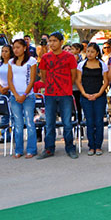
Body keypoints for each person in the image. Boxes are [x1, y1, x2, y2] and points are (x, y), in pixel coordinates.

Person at [37, 31, 79, 160]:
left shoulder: (70, 57)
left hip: (65, 93)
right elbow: (43, 76)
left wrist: (65, 86)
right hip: (49, 94)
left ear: (61, 42)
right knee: (49, 123)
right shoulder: (45, 57)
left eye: (54, 41)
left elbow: (73, 76)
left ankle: (70, 148)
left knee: (67, 122)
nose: (51, 43)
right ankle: (49, 149)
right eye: (50, 41)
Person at [75, 43, 109, 156]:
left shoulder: (102, 65)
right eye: (88, 51)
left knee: (99, 121)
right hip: (85, 96)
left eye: (92, 52)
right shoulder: (81, 65)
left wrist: (98, 94)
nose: (89, 54)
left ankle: (98, 146)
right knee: (89, 121)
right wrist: (84, 93)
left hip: (99, 96)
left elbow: (106, 81)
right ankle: (91, 146)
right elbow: (78, 81)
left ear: (97, 53)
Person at [8, 39, 38, 158]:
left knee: (30, 122)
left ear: (24, 48)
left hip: (28, 96)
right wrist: (16, 95)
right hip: (15, 96)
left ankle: (31, 149)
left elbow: (32, 79)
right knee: (18, 123)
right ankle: (19, 149)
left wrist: (24, 94)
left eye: (18, 47)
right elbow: (10, 80)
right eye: (14, 48)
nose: (15, 50)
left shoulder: (31, 61)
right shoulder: (11, 62)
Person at [0, 44, 13, 144]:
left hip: (11, 90)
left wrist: (8, 87)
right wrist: (1, 88)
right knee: (3, 114)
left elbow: (15, 78)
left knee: (13, 113)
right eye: (3, 51)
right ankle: (5, 135)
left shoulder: (13, 63)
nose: (4, 53)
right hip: (0, 91)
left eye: (6, 51)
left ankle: (14, 133)